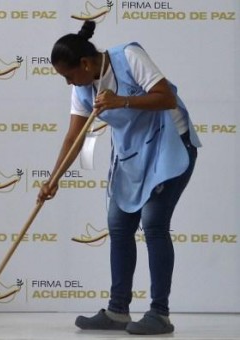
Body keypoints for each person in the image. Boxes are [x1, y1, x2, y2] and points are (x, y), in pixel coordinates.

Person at [39, 21, 201, 335]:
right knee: (118, 225)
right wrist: (54, 178)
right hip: (132, 155)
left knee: (153, 224)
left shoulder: (128, 56)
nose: (68, 83)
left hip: (170, 145)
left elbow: (165, 97)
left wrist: (122, 100)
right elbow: (73, 136)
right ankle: (118, 311)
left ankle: (160, 314)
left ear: (85, 64)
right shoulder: (83, 89)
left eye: (69, 76)